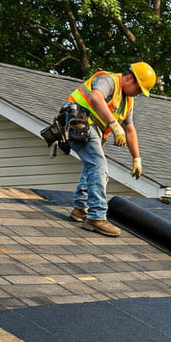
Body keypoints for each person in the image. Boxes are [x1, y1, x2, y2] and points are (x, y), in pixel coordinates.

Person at [64, 62, 156, 236]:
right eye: (138, 89)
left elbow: (130, 129)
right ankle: (96, 217)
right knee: (99, 166)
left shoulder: (127, 102)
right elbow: (96, 98)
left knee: (93, 165)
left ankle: (80, 208)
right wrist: (114, 125)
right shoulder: (108, 80)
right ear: (130, 79)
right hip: (77, 120)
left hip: (92, 129)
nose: (138, 94)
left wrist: (137, 158)